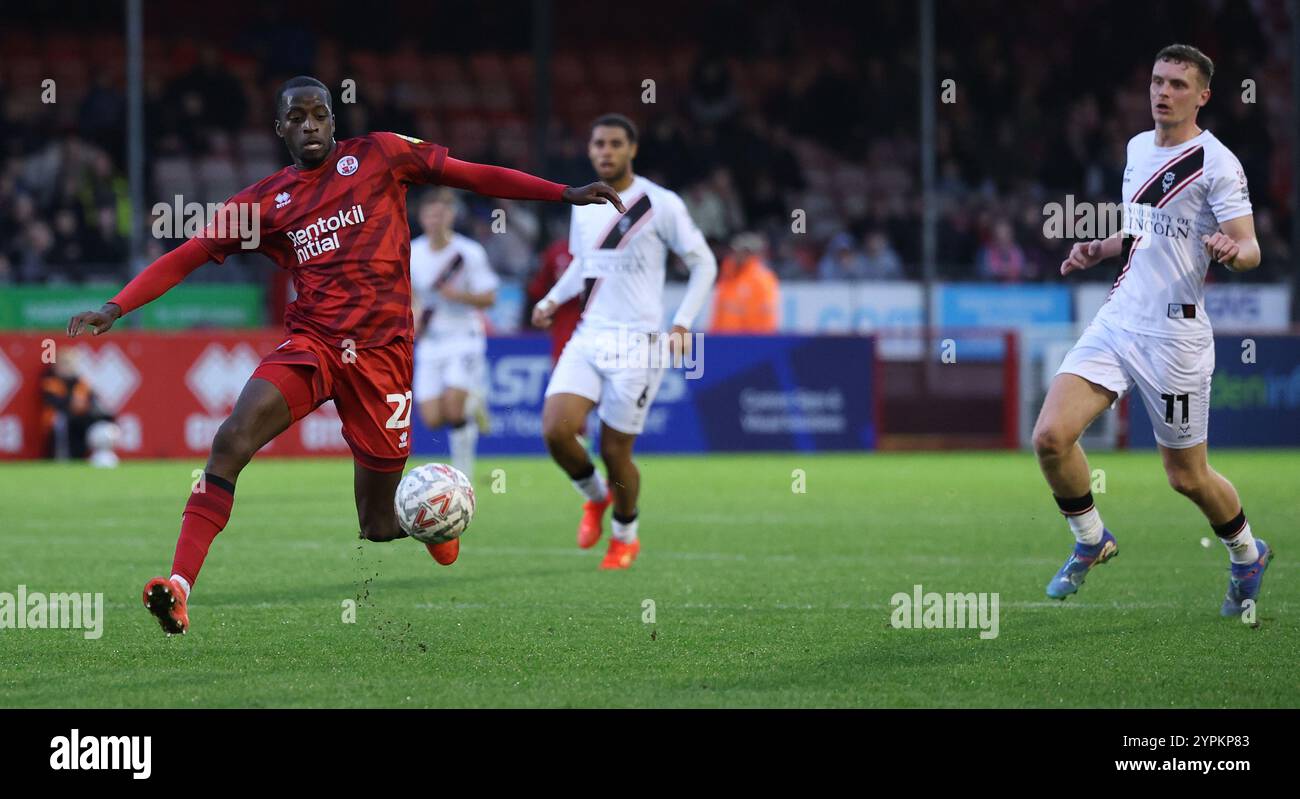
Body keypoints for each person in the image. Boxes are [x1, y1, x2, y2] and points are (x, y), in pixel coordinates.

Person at [67, 76, 624, 635]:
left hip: (383, 358)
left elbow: (472, 174)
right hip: (313, 344)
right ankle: (179, 586)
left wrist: (563, 192)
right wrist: (117, 306)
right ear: (279, 128)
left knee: (378, 525)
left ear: (334, 120)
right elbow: (186, 255)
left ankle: (436, 526)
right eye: (296, 117)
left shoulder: (381, 155)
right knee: (231, 439)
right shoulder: (262, 202)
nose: (309, 125)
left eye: (319, 115)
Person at [1033, 45, 1270, 615]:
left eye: (1178, 85)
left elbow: (1252, 250)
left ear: (1203, 96)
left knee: (1186, 477)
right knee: (1049, 437)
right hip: (1118, 321)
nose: (1163, 93)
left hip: (1175, 338)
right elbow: (1145, 230)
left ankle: (1245, 553)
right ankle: (1092, 540)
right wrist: (1101, 248)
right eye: (1158, 82)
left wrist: (1230, 250)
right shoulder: (1138, 148)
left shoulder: (1217, 162)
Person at [532, 113, 717, 569]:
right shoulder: (584, 202)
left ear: (632, 149)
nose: (606, 151)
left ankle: (625, 533)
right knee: (556, 429)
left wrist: (682, 324)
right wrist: (552, 300)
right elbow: (583, 264)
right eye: (598, 144)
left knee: (616, 453)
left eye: (615, 144)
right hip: (589, 334)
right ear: (590, 150)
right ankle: (594, 498)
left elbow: (704, 263)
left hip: (640, 344)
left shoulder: (661, 203)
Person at [410, 188, 497, 480]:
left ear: (451, 216)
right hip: (431, 342)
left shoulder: (469, 252)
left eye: (441, 213)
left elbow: (489, 298)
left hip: (464, 337)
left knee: (454, 409)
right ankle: (475, 401)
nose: (435, 219)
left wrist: (457, 295)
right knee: (432, 418)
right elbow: (410, 295)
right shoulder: (413, 252)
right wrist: (415, 315)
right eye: (430, 214)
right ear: (422, 217)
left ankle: (464, 475)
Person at [710, 232, 779, 333]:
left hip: (746, 343)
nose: (736, 255)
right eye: (735, 251)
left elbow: (765, 317)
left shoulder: (761, 279)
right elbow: (719, 313)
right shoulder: (727, 276)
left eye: (743, 251)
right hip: (722, 341)